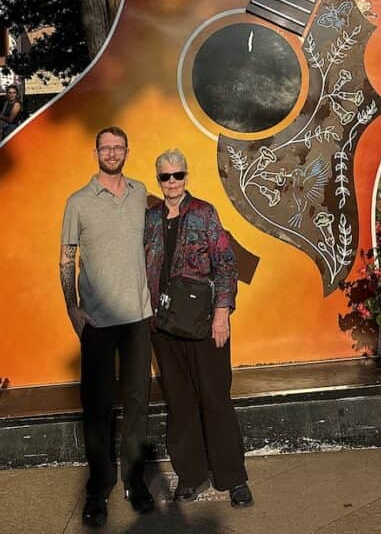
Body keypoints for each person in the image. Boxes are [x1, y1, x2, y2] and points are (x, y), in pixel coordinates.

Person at [144, 149, 253, 508]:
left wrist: (223, 314)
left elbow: (225, 265)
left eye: (177, 175)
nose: (172, 182)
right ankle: (191, 476)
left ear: (186, 177)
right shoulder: (150, 219)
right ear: (158, 180)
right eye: (165, 177)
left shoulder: (205, 213)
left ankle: (233, 478)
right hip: (164, 327)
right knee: (180, 403)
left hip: (206, 325)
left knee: (216, 400)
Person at [60, 126, 154, 527]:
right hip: (97, 321)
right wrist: (73, 309)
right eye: (106, 147)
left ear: (127, 151)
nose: (112, 153)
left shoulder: (141, 194)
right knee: (97, 408)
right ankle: (99, 486)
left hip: (138, 317)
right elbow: (66, 260)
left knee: (137, 404)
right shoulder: (78, 203)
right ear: (95, 151)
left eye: (118, 147)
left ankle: (135, 480)